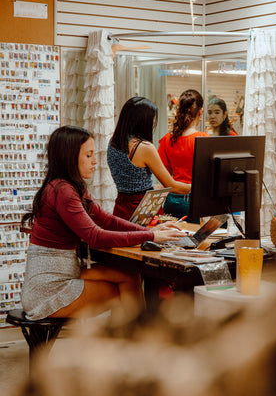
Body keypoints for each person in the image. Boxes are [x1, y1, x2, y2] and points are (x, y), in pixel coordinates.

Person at [21, 126, 186, 321]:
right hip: (49, 289)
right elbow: (95, 237)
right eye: (89, 155)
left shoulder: (68, 186)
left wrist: (151, 230)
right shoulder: (63, 190)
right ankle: (140, 339)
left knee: (130, 276)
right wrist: (151, 235)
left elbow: (106, 220)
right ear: (70, 157)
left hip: (61, 273)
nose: (95, 161)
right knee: (123, 294)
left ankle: (135, 339)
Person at [107, 97, 191, 221]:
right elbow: (173, 186)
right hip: (143, 209)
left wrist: (151, 187)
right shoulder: (144, 147)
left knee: (123, 238)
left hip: (121, 207)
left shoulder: (113, 143)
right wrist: (196, 187)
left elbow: (131, 180)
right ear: (144, 122)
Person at [158, 89, 209, 221]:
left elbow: (164, 177)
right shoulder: (204, 140)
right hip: (196, 201)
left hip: (172, 201)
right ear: (200, 112)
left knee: (171, 239)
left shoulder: (166, 139)